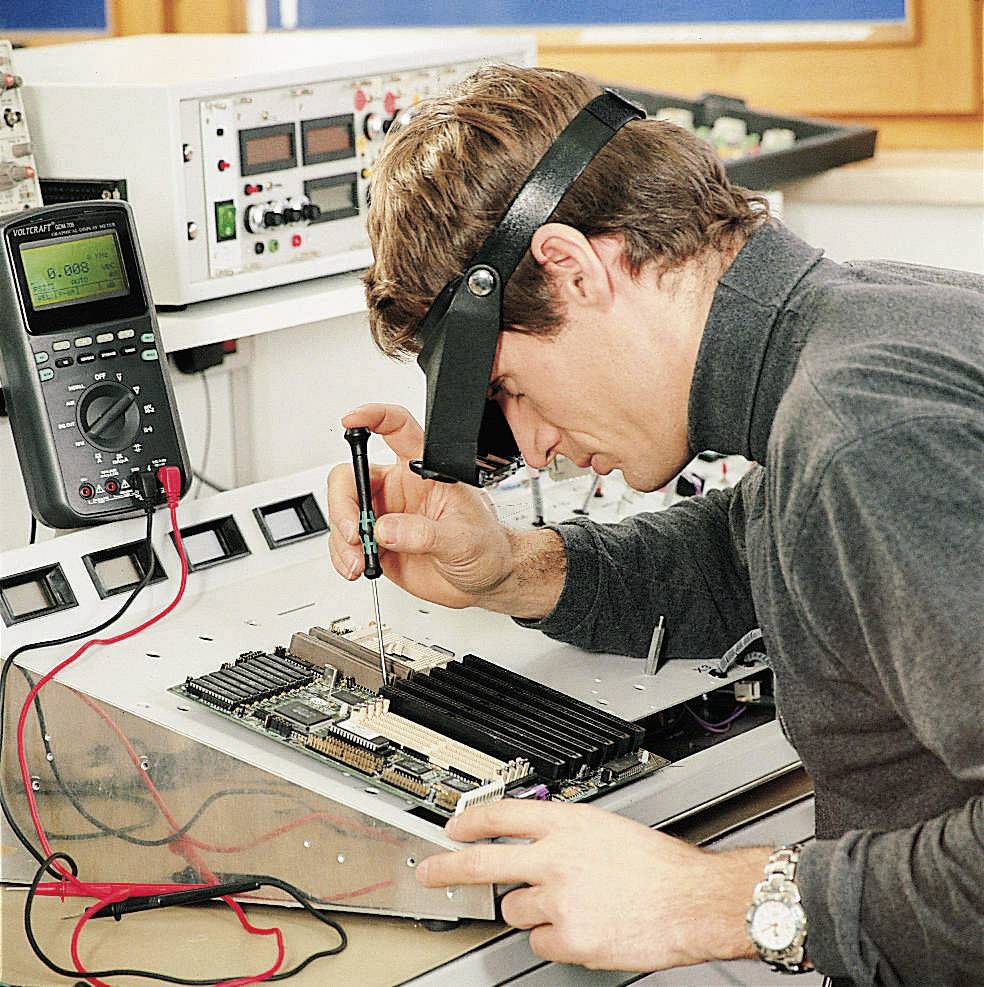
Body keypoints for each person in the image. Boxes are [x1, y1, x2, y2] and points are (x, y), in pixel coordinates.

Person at [327, 64, 983, 984]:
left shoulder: (859, 431)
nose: (533, 443)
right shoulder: (868, 324)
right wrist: (510, 567)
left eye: (509, 390)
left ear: (572, 265)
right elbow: (752, 560)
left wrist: (713, 902)